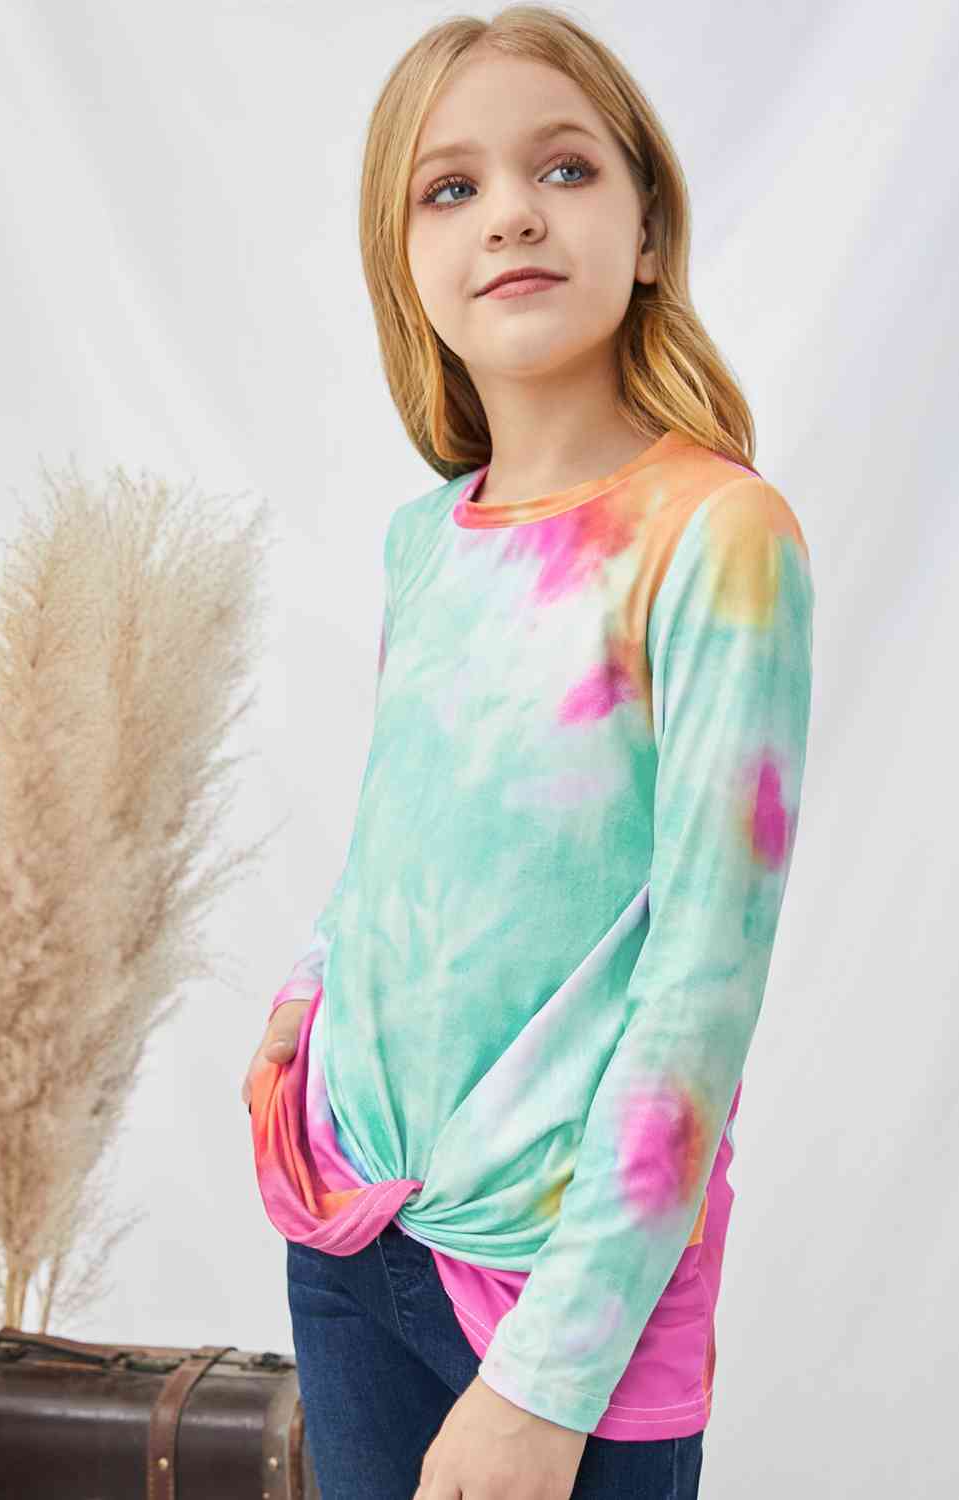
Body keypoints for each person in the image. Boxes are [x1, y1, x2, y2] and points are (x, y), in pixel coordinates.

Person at [242, 6, 815, 1498]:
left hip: (568, 1304)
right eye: (451, 187)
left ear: (647, 229)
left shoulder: (717, 537)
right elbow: (398, 841)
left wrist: (545, 1383)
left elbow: (700, 993)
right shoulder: (426, 539)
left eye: (562, 168)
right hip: (353, 1234)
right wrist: (300, 1012)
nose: (509, 212)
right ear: (405, 266)